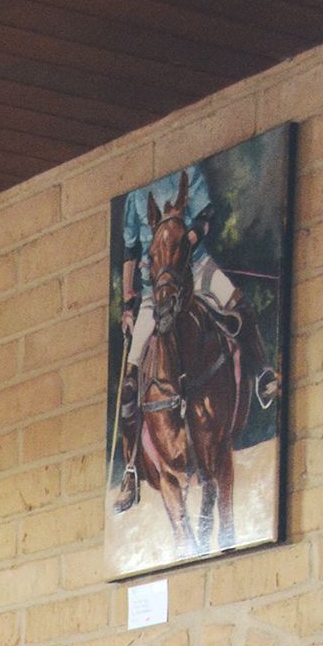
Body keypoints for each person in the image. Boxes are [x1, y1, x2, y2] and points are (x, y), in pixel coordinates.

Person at [114, 163, 277, 512]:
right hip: (151, 289)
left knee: (239, 306)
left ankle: (263, 373)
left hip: (194, 267)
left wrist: (182, 242)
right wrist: (128, 299)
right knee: (129, 384)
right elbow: (129, 251)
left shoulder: (191, 173)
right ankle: (130, 469)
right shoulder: (133, 198)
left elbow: (205, 217)